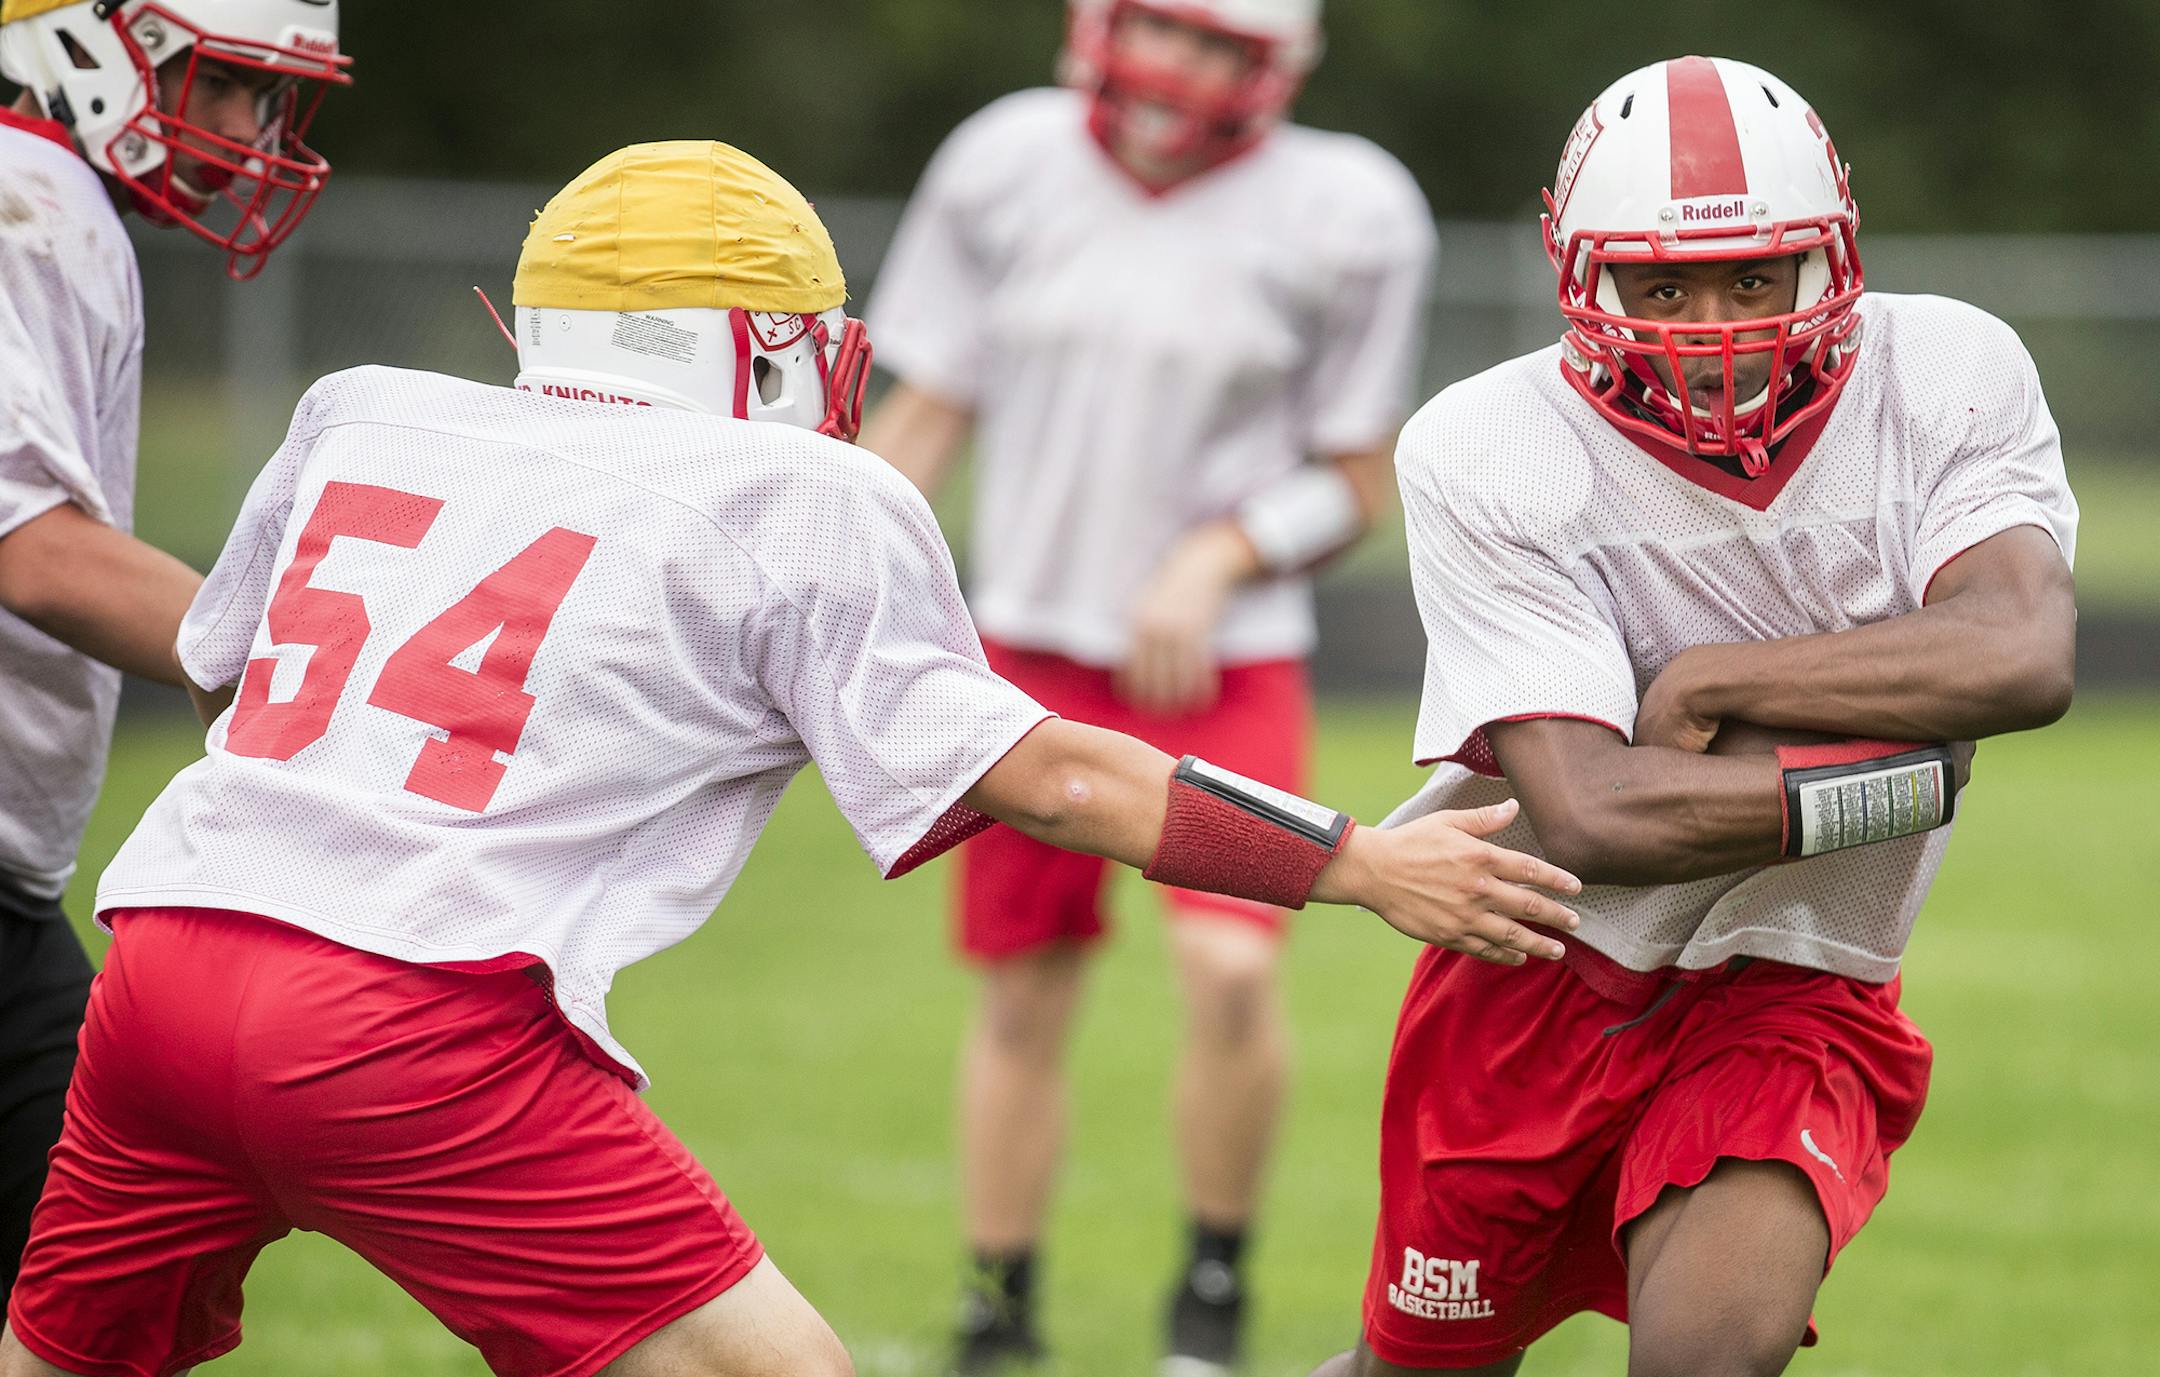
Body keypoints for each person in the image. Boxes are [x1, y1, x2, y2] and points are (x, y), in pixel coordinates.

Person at [0, 139, 1579, 1377]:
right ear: (753, 345)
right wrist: (1362, 860)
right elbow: (1056, 776)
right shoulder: (795, 493)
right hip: (419, 1010)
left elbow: (225, 666)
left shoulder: (363, 411)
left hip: (162, 960)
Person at [1308, 55, 2079, 1377]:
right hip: (1537, 971)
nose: (1712, 324)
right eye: (1662, 285)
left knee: (1710, 1356)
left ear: (1827, 258)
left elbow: (2019, 655)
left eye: (1751, 277)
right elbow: (1594, 813)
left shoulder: (1947, 367)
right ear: (1583, 274)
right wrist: (1905, 770)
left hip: (1800, 976)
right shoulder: (1488, 440)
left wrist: (1716, 683)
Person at [861, 1, 1437, 1368]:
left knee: (1233, 968)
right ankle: (997, 1305)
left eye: (1223, 47)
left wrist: (1219, 554)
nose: (1184, 71)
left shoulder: (1348, 206)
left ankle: (1210, 1299)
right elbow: (926, 411)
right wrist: (825, 573)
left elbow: (1362, 476)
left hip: (1218, 655)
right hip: (1026, 648)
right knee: (1024, 989)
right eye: (1169, 32)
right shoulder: (1006, 159)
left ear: (1277, 66)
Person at [0, 0, 347, 1302]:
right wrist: (317, 671)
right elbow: (34, 549)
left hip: (15, 889)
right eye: (236, 87)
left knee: (103, 1289)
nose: (254, 134)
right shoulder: (26, 195)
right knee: (94, 1288)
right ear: (100, 44)